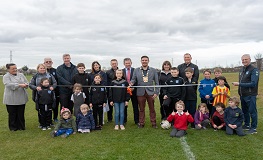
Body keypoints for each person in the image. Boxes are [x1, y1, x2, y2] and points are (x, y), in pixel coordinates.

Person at [232, 54, 259, 134]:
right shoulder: (242, 69)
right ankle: (247, 124)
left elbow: (253, 83)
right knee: (244, 111)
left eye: (246, 59)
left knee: (252, 111)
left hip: (250, 94)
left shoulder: (254, 69)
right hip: (242, 94)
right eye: (243, 60)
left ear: (250, 59)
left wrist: (239, 84)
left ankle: (253, 128)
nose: (244, 61)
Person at [130, 56, 160, 128]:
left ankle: (153, 123)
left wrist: (156, 92)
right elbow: (133, 79)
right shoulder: (136, 70)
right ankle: (141, 123)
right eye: (143, 60)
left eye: (146, 60)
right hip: (140, 92)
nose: (144, 61)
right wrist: (131, 83)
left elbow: (157, 82)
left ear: (148, 61)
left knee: (152, 108)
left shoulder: (153, 70)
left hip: (150, 92)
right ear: (141, 61)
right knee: (141, 109)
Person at [29, 63, 57, 128]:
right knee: (41, 110)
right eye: (41, 68)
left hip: (49, 95)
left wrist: (53, 87)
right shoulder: (35, 76)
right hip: (39, 95)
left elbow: (55, 82)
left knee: (49, 111)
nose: (42, 69)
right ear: (38, 69)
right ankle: (42, 123)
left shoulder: (49, 75)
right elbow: (30, 85)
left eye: (43, 68)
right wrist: (36, 88)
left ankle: (49, 122)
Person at [3, 63, 29, 131]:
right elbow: (8, 84)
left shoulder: (21, 75)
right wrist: (20, 85)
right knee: (12, 114)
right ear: (8, 69)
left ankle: (21, 127)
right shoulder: (6, 76)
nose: (15, 70)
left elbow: (26, 82)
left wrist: (26, 85)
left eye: (15, 68)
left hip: (21, 97)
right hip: (11, 98)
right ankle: (13, 128)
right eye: (13, 69)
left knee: (21, 113)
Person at [122, 58, 139, 126]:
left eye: (129, 63)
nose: (128, 64)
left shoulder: (135, 70)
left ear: (131, 63)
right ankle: (124, 120)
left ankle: (137, 120)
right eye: (126, 63)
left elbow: (138, 80)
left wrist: (133, 88)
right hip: (125, 91)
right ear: (124, 64)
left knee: (135, 106)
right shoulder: (122, 71)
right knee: (124, 106)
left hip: (134, 91)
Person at [44, 57, 60, 122]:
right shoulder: (42, 71)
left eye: (49, 61)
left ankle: (55, 117)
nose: (48, 63)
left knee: (55, 105)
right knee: (47, 106)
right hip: (45, 92)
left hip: (55, 91)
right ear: (44, 63)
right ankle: (47, 119)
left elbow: (58, 80)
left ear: (52, 62)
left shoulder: (55, 71)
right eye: (46, 62)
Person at [106, 59, 118, 123]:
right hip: (110, 90)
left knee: (119, 105)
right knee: (110, 105)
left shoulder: (120, 71)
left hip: (118, 91)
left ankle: (121, 118)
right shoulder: (108, 72)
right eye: (113, 63)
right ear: (111, 64)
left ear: (117, 64)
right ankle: (110, 119)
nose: (114, 65)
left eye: (115, 63)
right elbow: (107, 82)